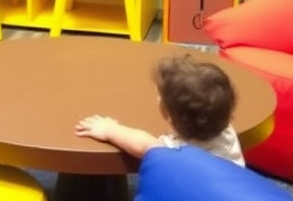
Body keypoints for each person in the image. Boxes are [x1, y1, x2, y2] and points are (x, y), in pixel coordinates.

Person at [75, 52, 245, 165]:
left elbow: (141, 144)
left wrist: (109, 129)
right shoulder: (228, 134)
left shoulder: (173, 150)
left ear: (168, 114)